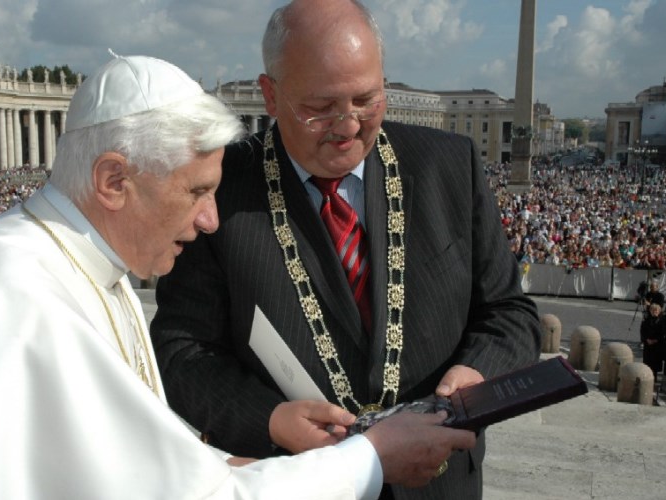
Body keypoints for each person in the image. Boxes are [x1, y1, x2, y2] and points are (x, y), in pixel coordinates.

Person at [0, 54, 476, 500]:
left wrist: (218, 456)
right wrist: (370, 456)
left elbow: (127, 460)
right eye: (198, 192)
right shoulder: (20, 300)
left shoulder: (74, 263)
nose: (210, 220)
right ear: (114, 181)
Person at [150, 1, 541, 498]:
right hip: (296, 479)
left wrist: (477, 373)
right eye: (320, 108)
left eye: (367, 100)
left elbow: (510, 311)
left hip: (439, 482)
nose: (350, 126)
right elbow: (181, 349)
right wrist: (269, 418)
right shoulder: (221, 188)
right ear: (271, 96)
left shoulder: (448, 166)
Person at [640, 303, 666, 384]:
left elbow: (663, 333)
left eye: (656, 310)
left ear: (659, 311)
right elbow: (642, 331)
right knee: (647, 362)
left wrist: (656, 340)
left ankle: (654, 378)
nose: (654, 311)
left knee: (655, 363)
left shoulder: (662, 321)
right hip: (648, 345)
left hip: (657, 345)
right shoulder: (646, 320)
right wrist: (646, 340)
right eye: (653, 310)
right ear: (650, 311)